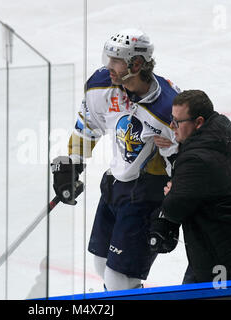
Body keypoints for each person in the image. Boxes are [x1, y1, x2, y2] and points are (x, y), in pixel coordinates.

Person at [51, 28, 180, 291]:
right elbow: (87, 125)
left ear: (137, 63)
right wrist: (72, 163)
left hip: (147, 193)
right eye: (108, 58)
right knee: (101, 263)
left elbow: (182, 163)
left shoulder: (167, 108)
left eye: (116, 60)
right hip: (115, 183)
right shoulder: (101, 85)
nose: (108, 66)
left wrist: (170, 213)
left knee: (120, 279)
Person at [149, 89, 231, 284]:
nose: (172, 126)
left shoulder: (196, 159)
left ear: (199, 122)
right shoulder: (219, 135)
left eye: (177, 122)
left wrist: (173, 191)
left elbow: (173, 208)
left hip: (229, 259)